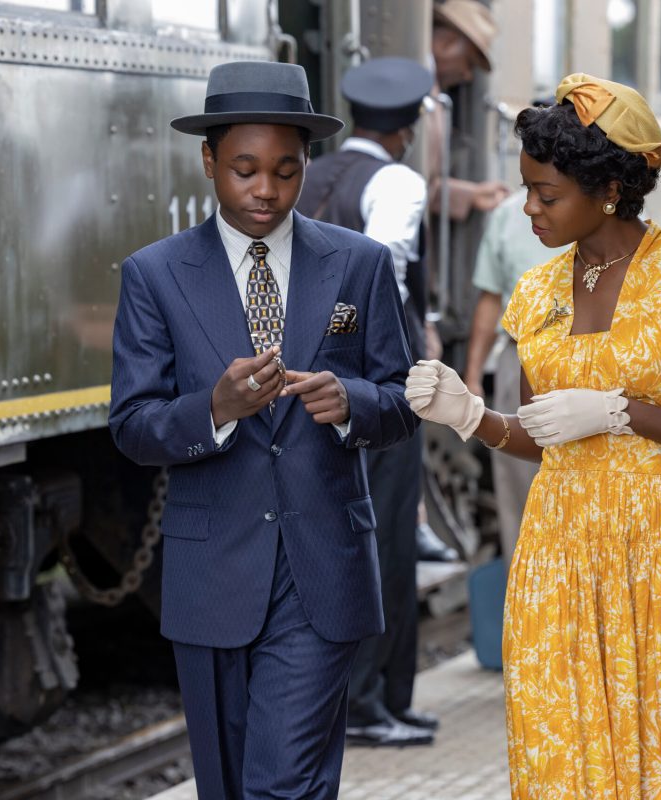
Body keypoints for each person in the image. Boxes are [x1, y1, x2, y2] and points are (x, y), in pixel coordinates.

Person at [406, 73, 661, 797]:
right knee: (568, 751)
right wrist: (469, 416)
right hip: (557, 553)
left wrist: (623, 412)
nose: (529, 209)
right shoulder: (537, 291)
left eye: (546, 195)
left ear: (608, 188)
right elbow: (542, 435)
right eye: (525, 189)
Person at [108, 61, 417, 800]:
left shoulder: (360, 265)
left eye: (285, 170)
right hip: (212, 574)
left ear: (306, 165)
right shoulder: (155, 275)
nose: (266, 190)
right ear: (209, 161)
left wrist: (353, 402)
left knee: (284, 784)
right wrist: (213, 408)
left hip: (321, 569)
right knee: (229, 787)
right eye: (245, 169)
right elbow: (131, 425)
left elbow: (404, 397)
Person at [297, 56, 438, 748]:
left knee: (335, 538)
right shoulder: (399, 180)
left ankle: (385, 698)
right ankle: (369, 702)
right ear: (407, 129)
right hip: (378, 386)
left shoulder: (309, 175)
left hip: (299, 387)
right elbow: (382, 271)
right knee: (383, 540)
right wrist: (349, 344)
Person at [463, 187, 553, 564]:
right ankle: (526, 602)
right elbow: (491, 298)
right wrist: (472, 376)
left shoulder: (603, 204)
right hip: (519, 359)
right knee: (519, 493)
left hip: (591, 362)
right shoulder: (506, 213)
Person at [428, 0, 511, 219]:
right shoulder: (420, 88)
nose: (468, 75)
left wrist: (471, 195)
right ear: (447, 43)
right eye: (469, 62)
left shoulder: (431, 91)